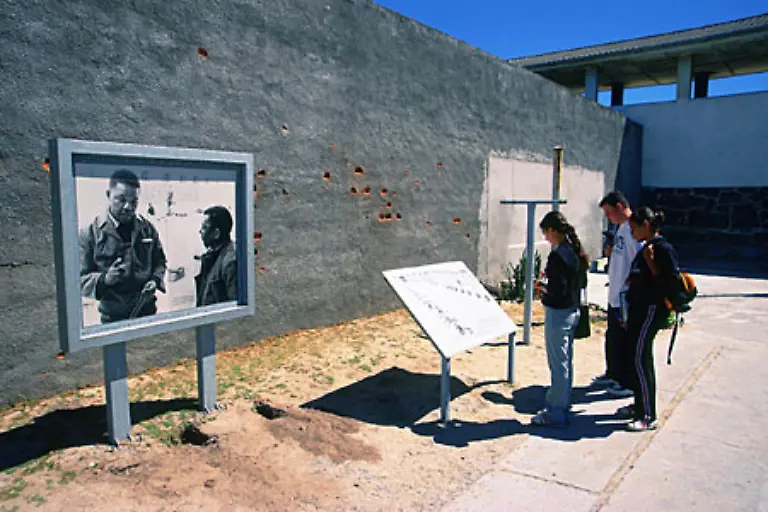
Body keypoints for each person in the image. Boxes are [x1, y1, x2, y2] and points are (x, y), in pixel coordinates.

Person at [80, 169, 167, 324]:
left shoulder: (147, 229)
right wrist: (104, 279)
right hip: (112, 319)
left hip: (147, 313)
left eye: (133, 201)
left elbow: (160, 261)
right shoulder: (90, 233)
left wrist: (155, 280)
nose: (128, 207)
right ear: (108, 195)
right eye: (121, 199)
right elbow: (79, 279)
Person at [621, 207, 679, 431]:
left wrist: (652, 265)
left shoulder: (662, 249)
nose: (632, 233)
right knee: (632, 356)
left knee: (640, 357)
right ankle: (638, 405)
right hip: (638, 309)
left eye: (634, 228)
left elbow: (669, 282)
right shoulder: (646, 247)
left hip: (652, 310)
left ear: (646, 225)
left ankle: (648, 414)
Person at [530, 211, 589, 427]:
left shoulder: (557, 256)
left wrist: (543, 290)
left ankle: (555, 410)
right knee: (565, 361)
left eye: (546, 232)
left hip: (559, 313)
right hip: (573, 310)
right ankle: (562, 403)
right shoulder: (574, 250)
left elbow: (558, 291)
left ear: (553, 230)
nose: (545, 237)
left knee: (558, 363)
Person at [593, 191, 643, 399]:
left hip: (626, 296)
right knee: (613, 338)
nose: (608, 218)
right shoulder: (621, 229)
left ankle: (627, 382)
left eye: (609, 213)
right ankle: (613, 373)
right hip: (614, 295)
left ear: (620, 207)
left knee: (625, 341)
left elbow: (640, 259)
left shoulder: (634, 229)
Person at [195, 205, 238, 306]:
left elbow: (234, 306)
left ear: (216, 234)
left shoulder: (231, 262)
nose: (200, 231)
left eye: (204, 227)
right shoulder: (211, 255)